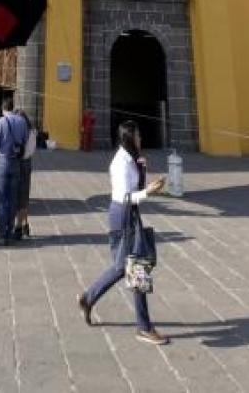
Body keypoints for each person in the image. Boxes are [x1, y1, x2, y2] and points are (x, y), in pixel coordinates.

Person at [77, 120, 167, 345]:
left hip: (129, 214)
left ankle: (88, 298)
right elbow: (126, 196)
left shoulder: (132, 159)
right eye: (137, 135)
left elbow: (136, 188)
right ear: (129, 137)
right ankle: (144, 327)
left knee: (122, 267)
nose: (141, 138)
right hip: (123, 214)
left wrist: (145, 173)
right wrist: (148, 191)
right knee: (137, 267)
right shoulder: (120, 163)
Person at [0, 94, 29, 244]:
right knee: (13, 198)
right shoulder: (22, 121)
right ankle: (10, 230)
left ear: (2, 108)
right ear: (12, 107)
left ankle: (1, 234)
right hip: (16, 163)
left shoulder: (0, 122)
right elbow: (25, 141)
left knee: (1, 199)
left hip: (2, 162)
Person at [14, 110, 37, 240]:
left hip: (20, 162)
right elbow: (32, 150)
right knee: (24, 195)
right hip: (28, 163)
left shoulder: (22, 133)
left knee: (19, 196)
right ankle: (25, 225)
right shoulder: (33, 132)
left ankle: (18, 226)